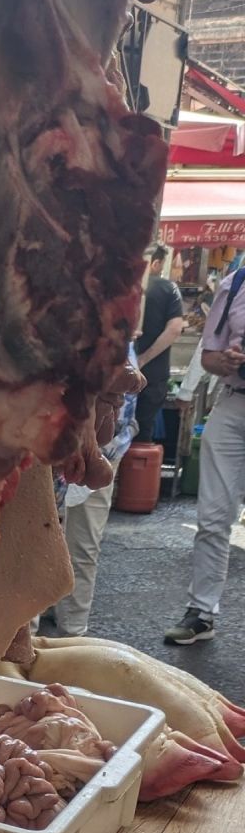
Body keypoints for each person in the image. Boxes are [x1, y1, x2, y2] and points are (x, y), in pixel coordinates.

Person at [166, 263, 245, 645]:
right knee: (213, 516)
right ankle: (202, 611)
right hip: (233, 405)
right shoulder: (236, 283)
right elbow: (210, 355)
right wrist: (225, 360)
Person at [55, 380, 137, 636]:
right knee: (32, 547)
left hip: (105, 446)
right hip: (49, 442)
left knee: (83, 547)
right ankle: (25, 639)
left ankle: (73, 632)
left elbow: (132, 381)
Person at [134, 245, 185, 444]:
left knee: (108, 434)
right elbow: (175, 328)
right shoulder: (168, 288)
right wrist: (142, 360)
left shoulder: (119, 287)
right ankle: (134, 475)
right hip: (151, 377)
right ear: (155, 263)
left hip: (115, 377)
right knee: (141, 436)